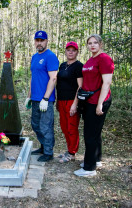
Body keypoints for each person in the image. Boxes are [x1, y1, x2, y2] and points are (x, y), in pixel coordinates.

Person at [74, 34, 114, 177]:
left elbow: (107, 82)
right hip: (89, 100)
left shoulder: (104, 59)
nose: (92, 45)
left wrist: (100, 104)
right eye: (90, 43)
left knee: (90, 134)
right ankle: (96, 159)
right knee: (94, 132)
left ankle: (89, 168)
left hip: (98, 101)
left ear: (100, 44)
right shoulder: (91, 59)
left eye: (95, 43)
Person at [25, 30, 59, 162]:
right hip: (35, 98)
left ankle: (48, 152)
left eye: (42, 40)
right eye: (37, 40)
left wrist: (45, 98)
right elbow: (33, 78)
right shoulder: (34, 57)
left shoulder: (50, 56)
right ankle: (43, 146)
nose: (39, 43)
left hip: (45, 100)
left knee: (45, 126)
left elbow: (53, 78)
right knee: (35, 125)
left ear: (46, 41)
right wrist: (29, 96)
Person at [56, 41, 83, 163]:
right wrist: (57, 100)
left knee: (72, 127)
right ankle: (69, 149)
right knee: (64, 127)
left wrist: (75, 104)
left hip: (72, 101)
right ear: (65, 51)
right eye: (68, 50)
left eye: (73, 50)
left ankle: (72, 153)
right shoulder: (62, 65)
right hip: (61, 100)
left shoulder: (78, 66)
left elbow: (80, 86)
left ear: (77, 52)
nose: (70, 52)